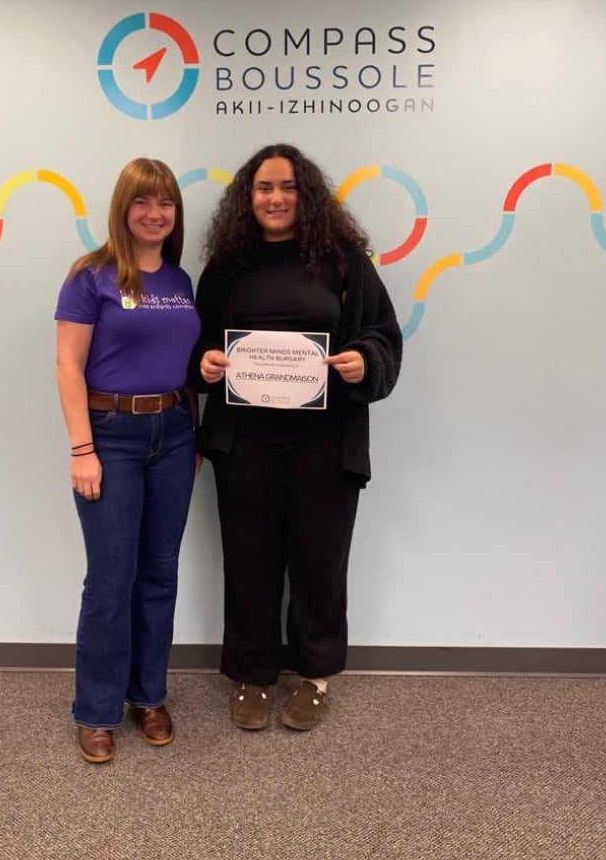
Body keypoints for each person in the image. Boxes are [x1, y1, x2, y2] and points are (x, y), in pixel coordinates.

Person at [189, 143, 402, 732]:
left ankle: (314, 676)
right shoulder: (227, 267)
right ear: (247, 197)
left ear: (306, 194)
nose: (276, 198)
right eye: (263, 188)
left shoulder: (344, 263)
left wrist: (364, 360)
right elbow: (195, 344)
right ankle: (253, 677)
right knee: (250, 559)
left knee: (319, 560)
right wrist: (203, 365)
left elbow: (383, 335)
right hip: (246, 443)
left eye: (287, 187)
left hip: (325, 441)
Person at [55, 158, 200, 764]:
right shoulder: (92, 277)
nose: (154, 213)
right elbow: (67, 365)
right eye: (143, 202)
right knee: (110, 580)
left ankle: (149, 696)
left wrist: (192, 432)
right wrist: (82, 448)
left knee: (159, 574)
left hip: (173, 434)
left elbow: (188, 366)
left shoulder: (179, 280)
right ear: (123, 207)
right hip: (110, 435)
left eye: (165, 202)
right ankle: (96, 711)